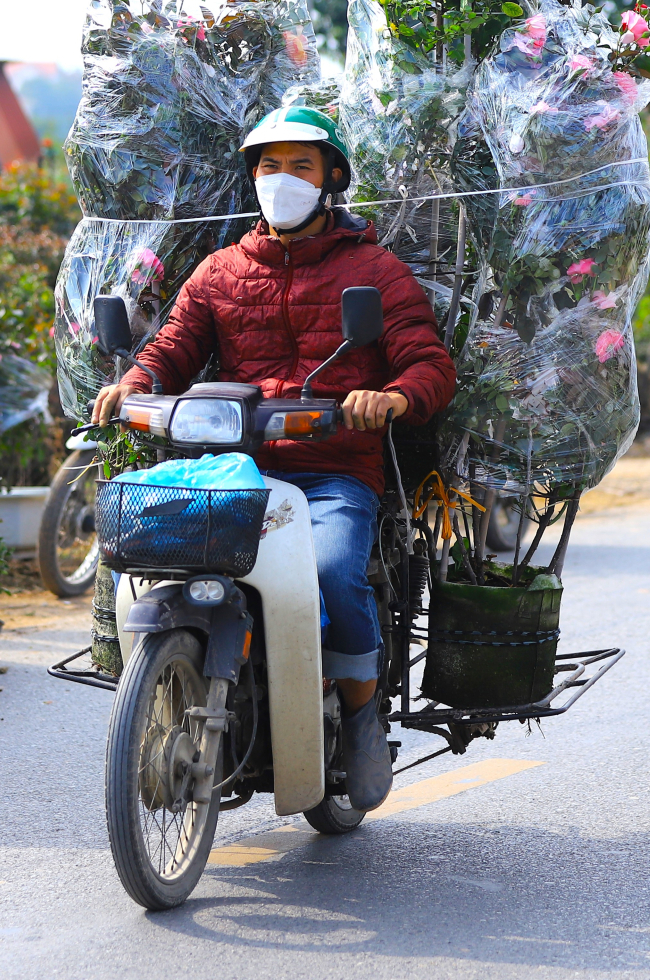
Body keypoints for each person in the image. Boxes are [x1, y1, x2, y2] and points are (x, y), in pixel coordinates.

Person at [92, 105, 456, 811]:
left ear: (332, 180)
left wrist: (390, 398)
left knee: (329, 572)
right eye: (267, 165)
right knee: (148, 553)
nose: (280, 180)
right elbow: (173, 345)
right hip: (236, 470)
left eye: (299, 165)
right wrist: (135, 381)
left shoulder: (375, 271)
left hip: (333, 473)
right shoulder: (222, 270)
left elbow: (429, 366)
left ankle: (358, 716)